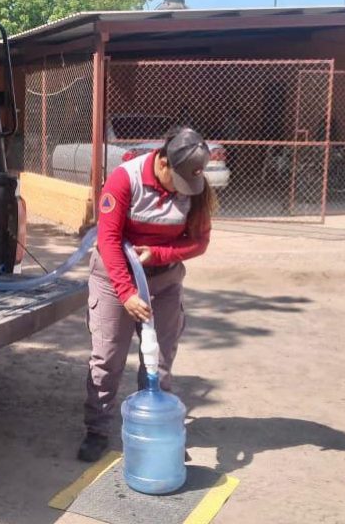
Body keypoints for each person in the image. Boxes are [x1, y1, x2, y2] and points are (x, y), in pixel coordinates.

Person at [77, 127, 216, 462]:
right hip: (115, 279)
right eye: (176, 182)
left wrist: (159, 254)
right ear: (163, 162)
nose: (181, 190)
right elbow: (108, 239)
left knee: (160, 360)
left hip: (164, 282)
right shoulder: (125, 179)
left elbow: (199, 242)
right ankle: (97, 429)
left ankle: (156, 429)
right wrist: (126, 293)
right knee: (108, 359)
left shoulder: (193, 185)